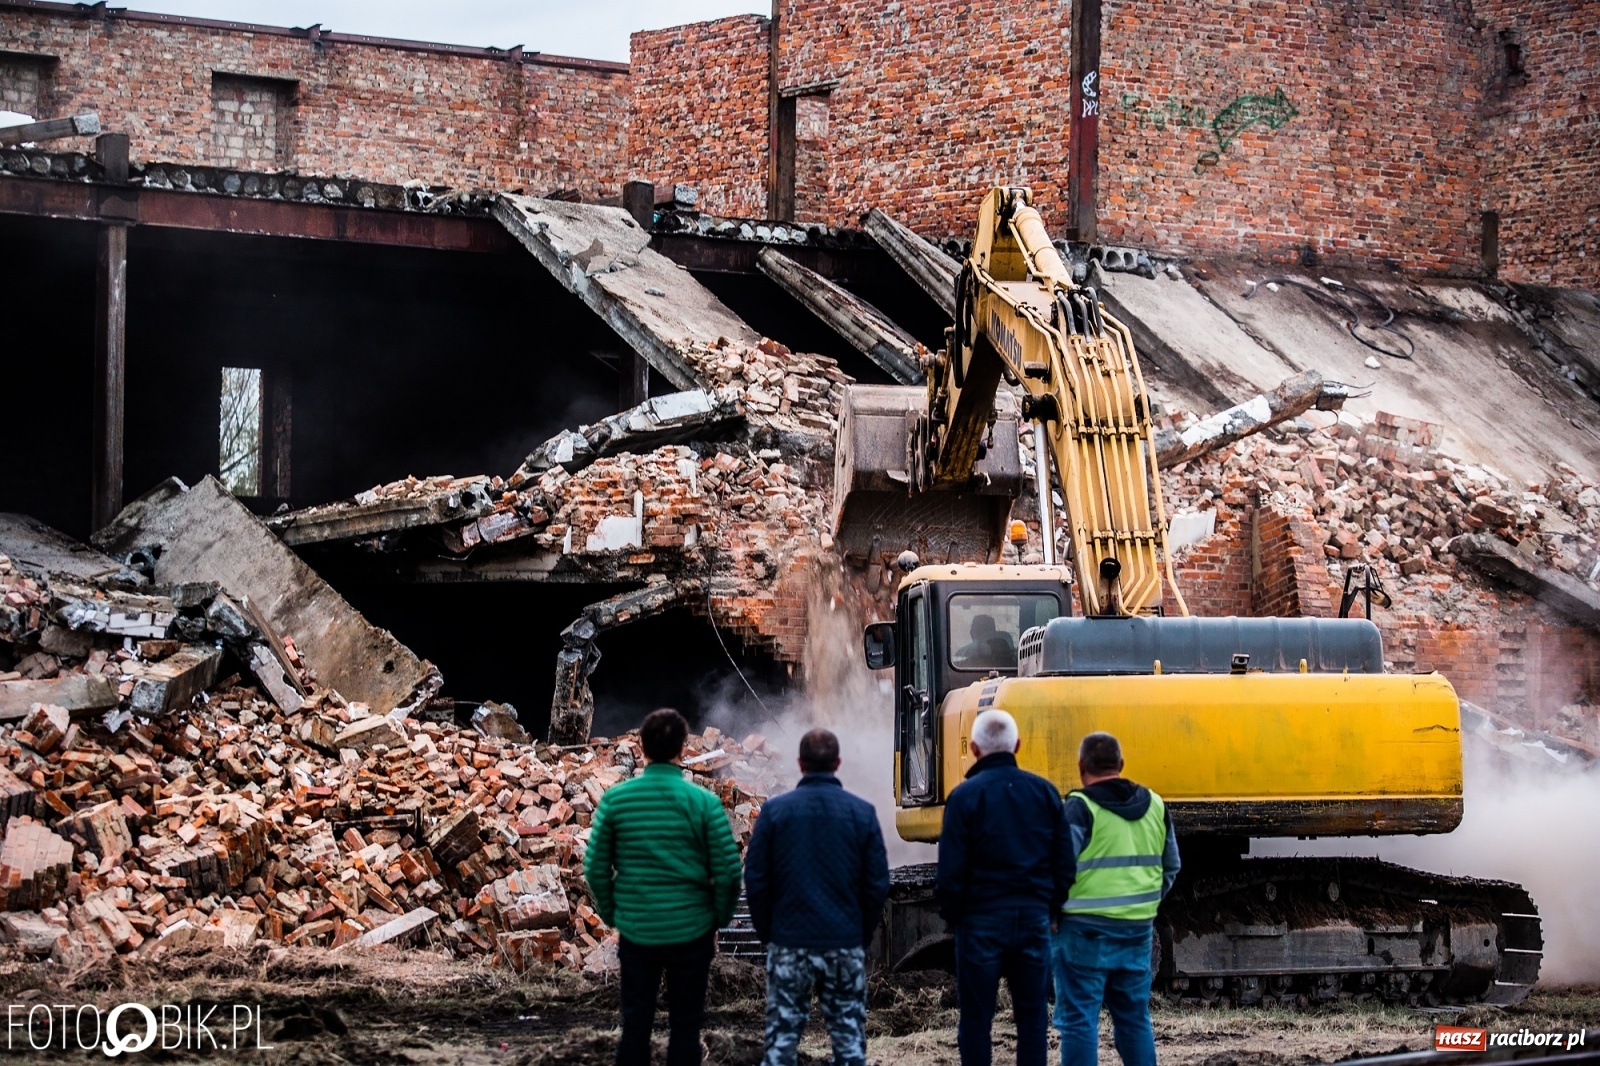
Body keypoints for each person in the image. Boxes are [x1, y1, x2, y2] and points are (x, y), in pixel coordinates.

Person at [584, 708, 744, 1066]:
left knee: (635, 1028)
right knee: (686, 1029)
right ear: (683, 749)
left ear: (641, 747)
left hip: (637, 931)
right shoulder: (704, 804)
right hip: (692, 932)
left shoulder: (616, 801)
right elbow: (729, 872)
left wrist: (613, 913)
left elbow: (594, 867)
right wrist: (718, 918)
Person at [744, 728, 890, 1066]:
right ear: (838, 763)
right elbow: (876, 884)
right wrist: (860, 935)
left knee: (780, 1046)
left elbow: (756, 879)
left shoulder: (775, 812)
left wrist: (770, 934)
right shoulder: (862, 813)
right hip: (843, 942)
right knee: (849, 1046)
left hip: (789, 943)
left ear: (800, 763)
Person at [936, 709, 1071, 1066]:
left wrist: (956, 918)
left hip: (979, 923)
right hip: (1033, 921)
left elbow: (949, 872)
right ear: (1018, 745)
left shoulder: (963, 798)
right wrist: (1052, 910)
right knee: (1033, 1019)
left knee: (976, 1020)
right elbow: (1065, 864)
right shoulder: (1045, 793)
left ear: (974, 748)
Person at [1052, 732, 1181, 1066]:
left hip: (1084, 932)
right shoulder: (1155, 805)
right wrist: (1144, 904)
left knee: (1079, 1019)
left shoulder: (1079, 808)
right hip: (1137, 931)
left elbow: (1058, 868)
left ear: (1081, 766)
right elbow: (1171, 866)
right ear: (1121, 764)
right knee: (1134, 1019)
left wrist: (1052, 912)